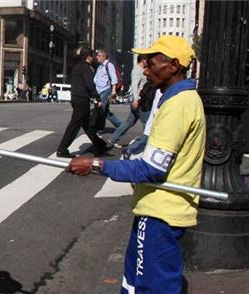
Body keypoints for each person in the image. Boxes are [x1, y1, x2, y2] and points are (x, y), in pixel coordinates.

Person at [66, 36, 204, 293]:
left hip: (160, 214)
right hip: (160, 210)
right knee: (136, 283)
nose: (145, 69)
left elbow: (150, 169)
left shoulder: (179, 105)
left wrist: (96, 165)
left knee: (148, 286)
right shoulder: (179, 99)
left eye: (151, 63)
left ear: (173, 65)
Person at [56, 47, 110, 158]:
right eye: (92, 56)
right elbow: (90, 85)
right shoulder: (85, 68)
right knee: (74, 125)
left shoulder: (77, 66)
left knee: (87, 125)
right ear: (89, 57)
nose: (93, 58)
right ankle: (62, 149)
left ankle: (100, 146)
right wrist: (97, 98)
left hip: (77, 98)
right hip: (81, 100)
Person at [107, 55, 151, 147]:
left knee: (129, 122)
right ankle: (147, 143)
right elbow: (135, 86)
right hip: (140, 101)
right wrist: (135, 100)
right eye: (148, 60)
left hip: (139, 100)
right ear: (143, 60)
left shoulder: (141, 69)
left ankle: (112, 139)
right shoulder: (137, 70)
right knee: (147, 123)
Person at [93, 49, 122, 131]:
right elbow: (95, 79)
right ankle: (121, 126)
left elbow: (114, 79)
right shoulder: (99, 67)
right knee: (105, 112)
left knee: (101, 109)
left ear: (104, 57)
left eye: (98, 56)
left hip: (105, 90)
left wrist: (113, 91)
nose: (97, 57)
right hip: (99, 91)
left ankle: (98, 128)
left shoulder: (109, 65)